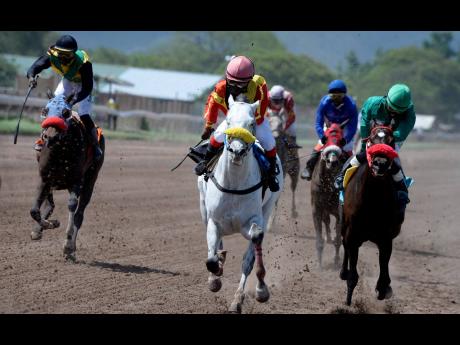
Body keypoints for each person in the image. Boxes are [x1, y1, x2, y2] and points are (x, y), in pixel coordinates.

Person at [194, 55, 279, 192]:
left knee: (269, 143)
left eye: (241, 84)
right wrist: (208, 126)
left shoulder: (259, 85)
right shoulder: (221, 87)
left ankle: (271, 174)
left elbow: (261, 109)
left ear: (250, 80)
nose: (236, 87)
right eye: (233, 83)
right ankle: (205, 162)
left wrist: (247, 124)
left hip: (255, 120)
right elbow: (212, 104)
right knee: (216, 137)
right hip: (234, 120)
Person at [334, 83, 416, 220]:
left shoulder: (409, 114)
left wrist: (386, 135)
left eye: (398, 111)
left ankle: (402, 190)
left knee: (393, 160)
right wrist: (366, 143)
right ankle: (341, 176)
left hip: (392, 139)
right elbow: (365, 123)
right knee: (361, 155)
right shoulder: (373, 103)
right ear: (386, 100)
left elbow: (401, 133)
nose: (394, 112)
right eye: (391, 108)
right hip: (371, 135)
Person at [27, 34, 102, 161]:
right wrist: (31, 78)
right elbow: (34, 67)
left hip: (84, 85)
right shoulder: (51, 57)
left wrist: (74, 100)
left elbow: (87, 88)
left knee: (83, 114)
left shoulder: (84, 63)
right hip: (68, 80)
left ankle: (95, 146)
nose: (63, 58)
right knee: (53, 106)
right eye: (60, 53)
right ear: (56, 51)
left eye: (67, 55)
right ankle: (42, 139)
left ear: (74, 53)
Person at [300, 79, 358, 180]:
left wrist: (346, 139)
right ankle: (308, 168)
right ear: (329, 95)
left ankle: (351, 174)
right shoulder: (324, 103)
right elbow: (318, 123)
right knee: (319, 146)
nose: (336, 99)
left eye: (339, 96)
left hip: (345, 131)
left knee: (348, 149)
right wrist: (321, 135)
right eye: (333, 96)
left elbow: (353, 127)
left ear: (344, 95)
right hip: (328, 128)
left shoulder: (351, 106)